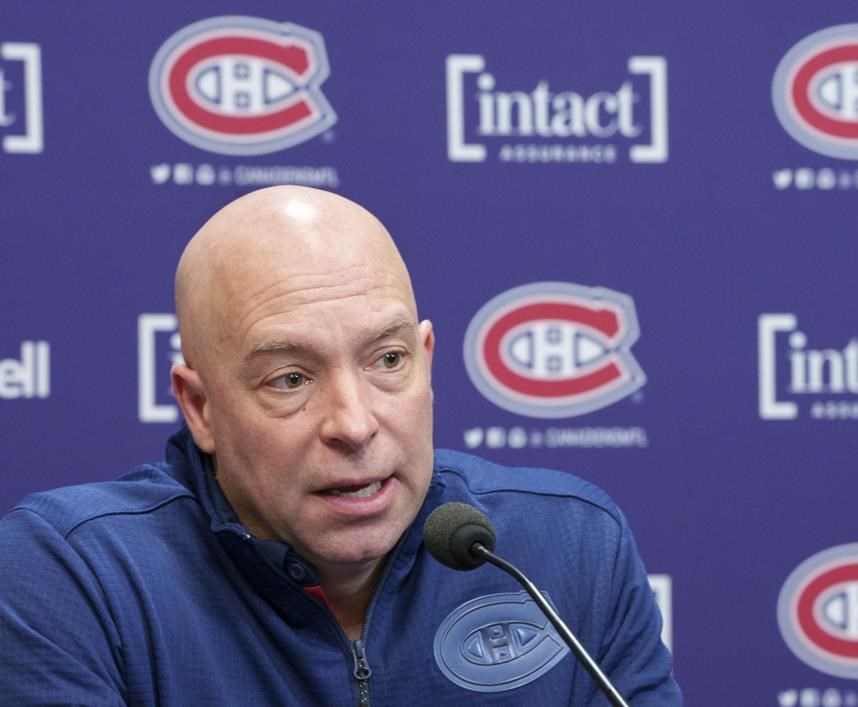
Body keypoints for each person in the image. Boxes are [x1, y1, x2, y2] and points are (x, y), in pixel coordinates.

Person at [0, 186, 681, 705]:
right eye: (290, 379)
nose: (354, 425)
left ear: (426, 362)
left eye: (387, 360)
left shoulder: (571, 546)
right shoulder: (76, 577)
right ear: (200, 408)